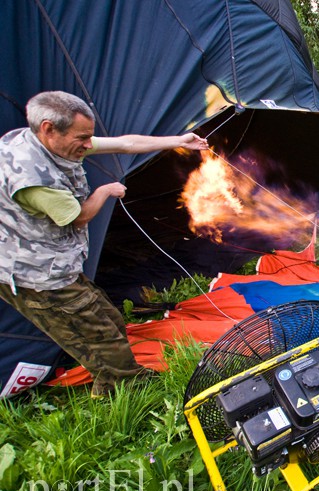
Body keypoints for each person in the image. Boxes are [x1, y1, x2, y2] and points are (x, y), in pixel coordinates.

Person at [0, 90, 208, 397]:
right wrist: (106, 191)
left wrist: (178, 141)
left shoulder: (50, 140)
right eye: (82, 138)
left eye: (90, 137)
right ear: (48, 128)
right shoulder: (34, 178)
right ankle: (128, 391)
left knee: (106, 318)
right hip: (35, 274)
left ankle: (106, 375)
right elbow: (78, 217)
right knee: (99, 334)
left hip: (51, 261)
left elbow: (126, 143)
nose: (88, 145)